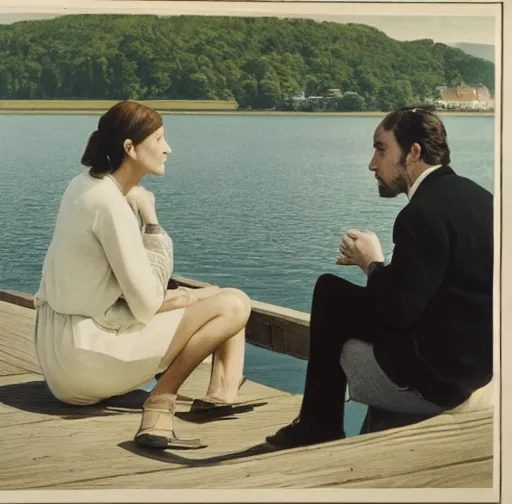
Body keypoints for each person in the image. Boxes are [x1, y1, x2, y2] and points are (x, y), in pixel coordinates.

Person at [266, 107, 494, 448]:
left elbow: (397, 311)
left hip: (437, 382)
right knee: (344, 300)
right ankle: (319, 422)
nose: (373, 164)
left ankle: (319, 424)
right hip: (477, 369)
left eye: (381, 149)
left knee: (331, 294)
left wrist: (372, 264)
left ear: (413, 152)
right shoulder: (483, 199)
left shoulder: (419, 215)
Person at [34, 100, 251, 449]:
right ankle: (161, 400)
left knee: (215, 292)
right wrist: (151, 222)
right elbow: (147, 303)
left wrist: (186, 298)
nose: (168, 148)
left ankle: (221, 393)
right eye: (160, 139)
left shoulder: (82, 186)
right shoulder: (111, 205)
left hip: (59, 357)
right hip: (86, 361)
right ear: (130, 148)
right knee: (235, 304)